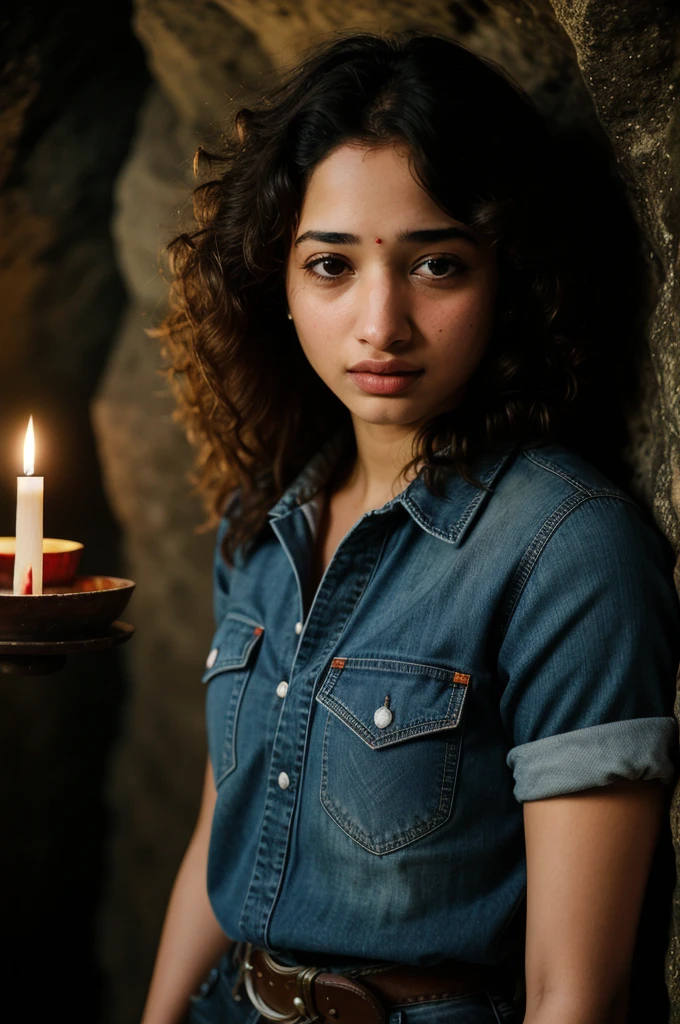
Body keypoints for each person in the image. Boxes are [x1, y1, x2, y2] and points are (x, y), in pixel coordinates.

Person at [140, 31, 680, 1024]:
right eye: (331, 266)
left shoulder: (565, 552)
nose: (379, 323)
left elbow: (573, 993)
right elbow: (228, 819)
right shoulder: (262, 522)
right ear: (280, 284)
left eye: (434, 264)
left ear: (505, 278)